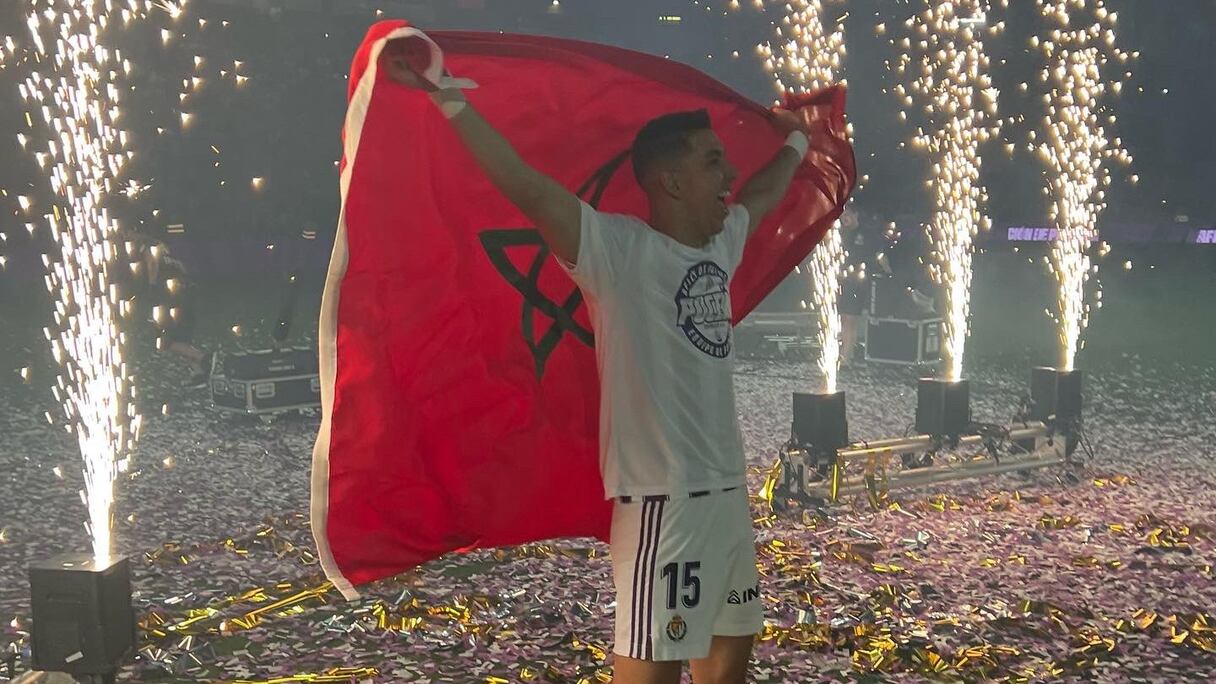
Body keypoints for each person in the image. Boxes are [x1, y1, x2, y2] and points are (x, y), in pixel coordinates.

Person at [382, 37, 811, 684]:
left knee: (732, 655)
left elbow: (767, 192)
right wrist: (448, 100)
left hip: (726, 495)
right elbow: (529, 190)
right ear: (670, 180)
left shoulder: (721, 245)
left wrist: (801, 141)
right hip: (662, 507)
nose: (729, 176)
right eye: (713, 161)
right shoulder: (617, 252)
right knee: (654, 669)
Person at [122, 230, 214, 388]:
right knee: (182, 339)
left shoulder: (147, 247)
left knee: (167, 340)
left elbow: (152, 264)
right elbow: (182, 268)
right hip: (185, 295)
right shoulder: (163, 247)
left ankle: (204, 359)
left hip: (172, 299)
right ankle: (199, 371)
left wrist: (152, 285)